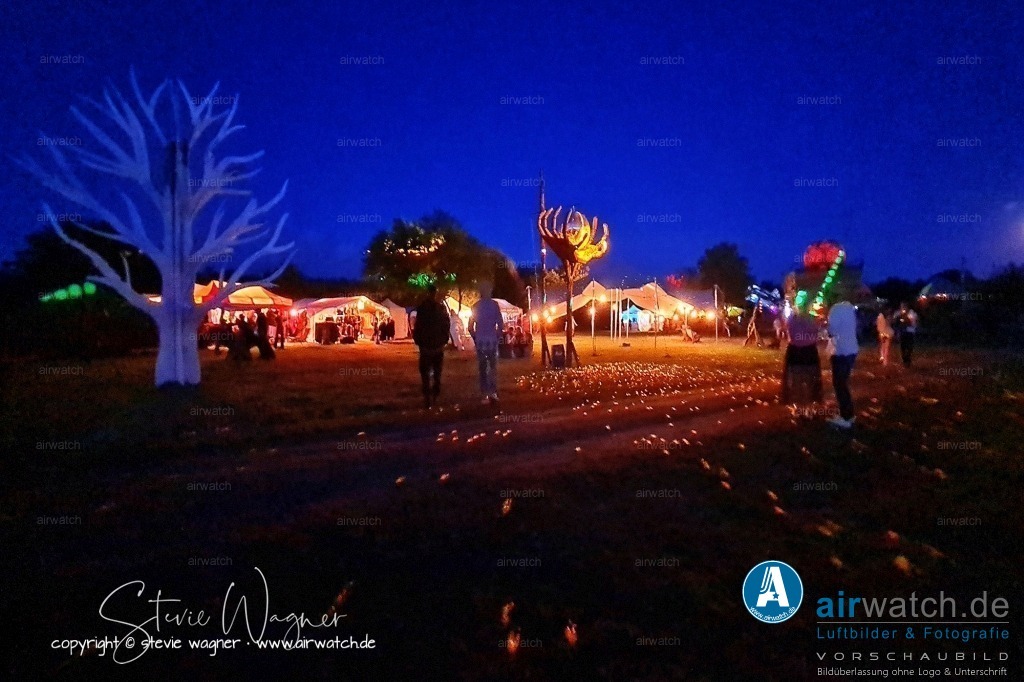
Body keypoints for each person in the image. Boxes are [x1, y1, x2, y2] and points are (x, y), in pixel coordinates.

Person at [412, 285, 451, 408]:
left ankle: (428, 397)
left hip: (426, 346)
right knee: (437, 372)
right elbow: (446, 324)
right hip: (437, 345)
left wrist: (418, 340)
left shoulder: (422, 308)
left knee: (425, 373)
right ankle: (434, 394)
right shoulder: (441, 308)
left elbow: (418, 326)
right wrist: (444, 339)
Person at [781, 308, 823, 417]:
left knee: (797, 380)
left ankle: (800, 408)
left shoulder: (792, 319)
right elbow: (816, 334)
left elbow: (788, 332)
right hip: (809, 351)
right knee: (809, 380)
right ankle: (808, 408)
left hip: (796, 351)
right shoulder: (812, 319)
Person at [826, 299, 859, 429]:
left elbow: (832, 331)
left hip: (841, 352)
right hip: (852, 349)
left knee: (839, 385)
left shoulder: (835, 310)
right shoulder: (849, 308)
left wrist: (826, 327)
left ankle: (846, 417)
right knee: (843, 384)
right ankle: (849, 415)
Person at [470, 281, 503, 404]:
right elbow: (500, 325)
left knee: (483, 368)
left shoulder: (475, 306)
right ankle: (493, 392)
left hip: (481, 342)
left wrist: (475, 337)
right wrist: (497, 336)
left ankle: (484, 394)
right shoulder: (495, 305)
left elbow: (470, 326)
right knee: (493, 367)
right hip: (492, 341)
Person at [895, 302, 918, 367]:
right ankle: (905, 360)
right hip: (903, 332)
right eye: (901, 306)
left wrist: (907, 319)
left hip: (910, 332)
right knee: (903, 347)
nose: (903, 308)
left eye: (904, 306)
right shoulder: (899, 313)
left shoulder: (912, 313)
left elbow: (913, 322)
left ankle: (908, 359)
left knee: (910, 347)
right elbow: (896, 320)